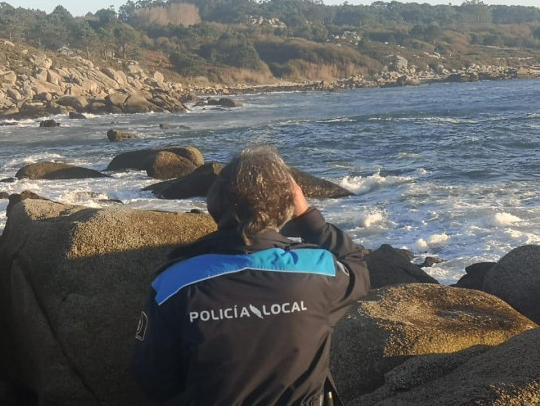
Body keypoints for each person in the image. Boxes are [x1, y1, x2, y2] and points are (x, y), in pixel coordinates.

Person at [132, 145, 371, 406]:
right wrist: (309, 218)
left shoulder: (172, 284)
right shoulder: (317, 271)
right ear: (289, 204)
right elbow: (355, 265)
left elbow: (153, 379)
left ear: (215, 203)